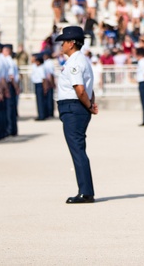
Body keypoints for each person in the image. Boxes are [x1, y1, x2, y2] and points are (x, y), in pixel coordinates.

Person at [55, 25, 97, 204]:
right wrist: (90, 104)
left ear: (71, 43)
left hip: (74, 108)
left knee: (77, 150)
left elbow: (80, 90)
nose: (61, 46)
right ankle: (85, 190)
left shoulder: (74, 63)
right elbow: (88, 88)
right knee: (78, 149)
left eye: (63, 42)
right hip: (76, 107)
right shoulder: (81, 60)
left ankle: (85, 192)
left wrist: (88, 106)